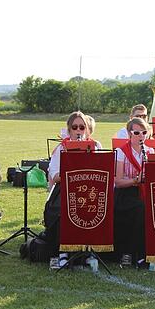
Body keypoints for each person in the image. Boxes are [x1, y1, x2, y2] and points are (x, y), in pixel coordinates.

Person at [44, 112, 103, 268]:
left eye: (82, 127)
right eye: (74, 127)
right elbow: (55, 175)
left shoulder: (96, 146)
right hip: (65, 189)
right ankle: (63, 252)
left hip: (88, 191)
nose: (78, 130)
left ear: (87, 130)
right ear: (69, 130)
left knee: (96, 208)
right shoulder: (61, 148)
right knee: (61, 211)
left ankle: (89, 251)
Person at [113, 117, 155, 268]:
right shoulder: (121, 152)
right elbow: (117, 181)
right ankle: (131, 252)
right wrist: (135, 181)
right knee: (139, 209)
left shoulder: (150, 152)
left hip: (144, 192)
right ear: (129, 134)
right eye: (136, 133)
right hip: (125, 192)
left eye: (144, 132)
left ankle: (147, 253)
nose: (141, 136)